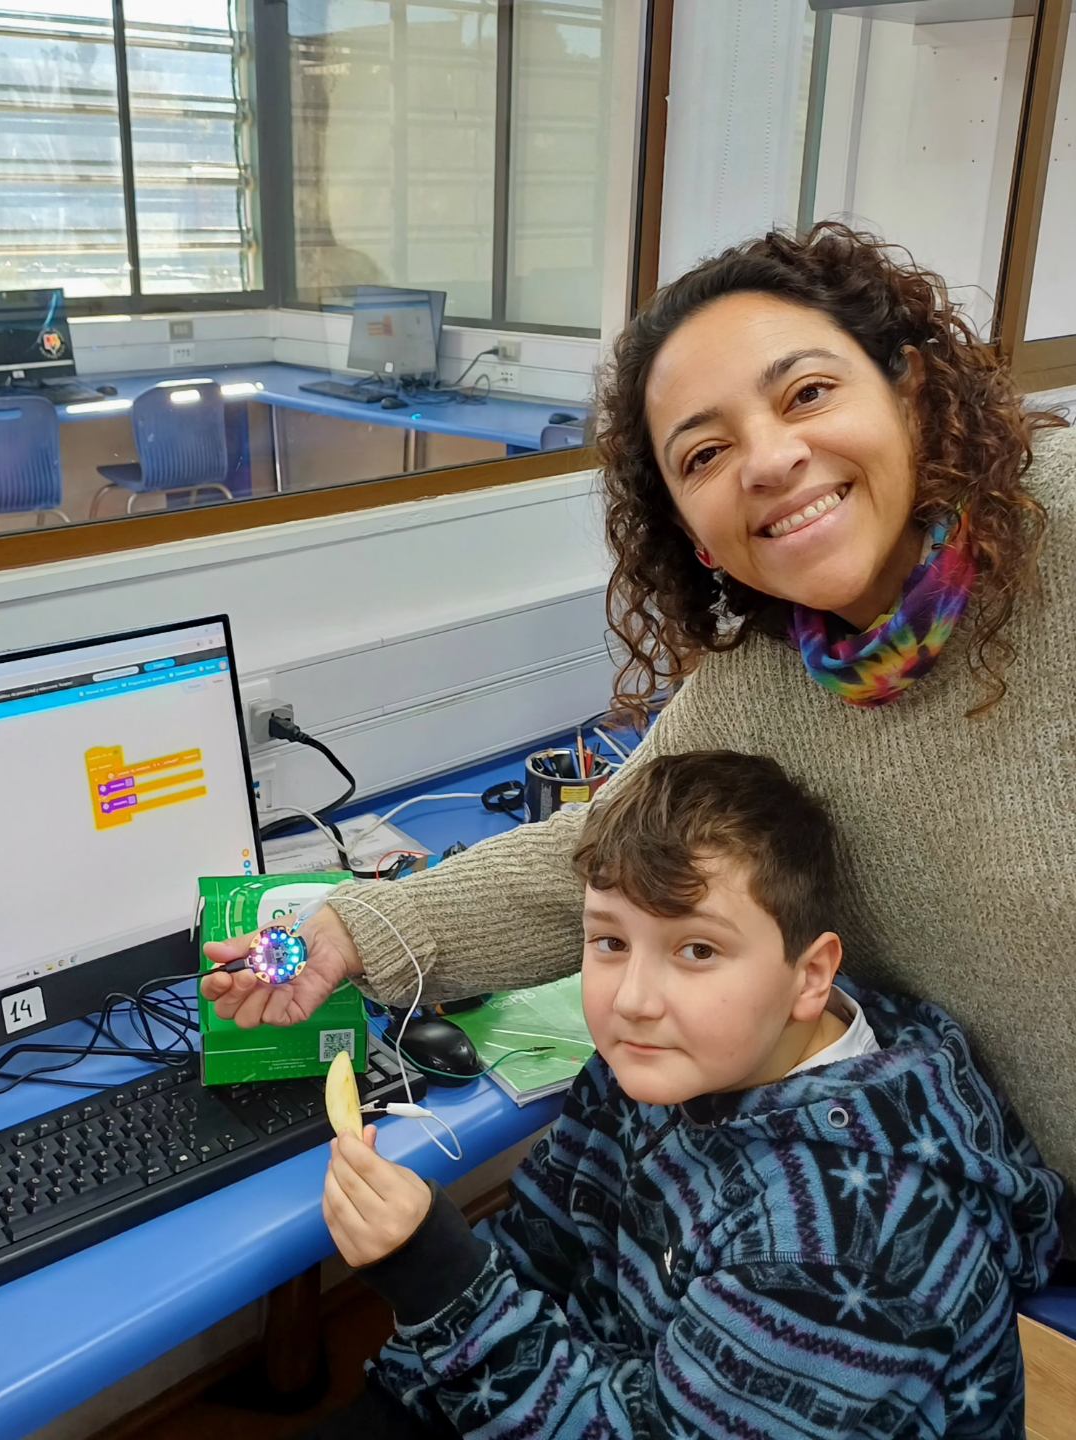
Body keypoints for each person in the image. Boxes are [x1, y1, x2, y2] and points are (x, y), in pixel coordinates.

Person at [203, 222, 1076, 1219]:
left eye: (807, 394)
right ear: (692, 531)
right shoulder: (767, 683)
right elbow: (590, 856)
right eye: (705, 453)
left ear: (910, 391)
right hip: (1000, 1210)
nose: (769, 460)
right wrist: (352, 929)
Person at [298, 753, 1062, 1440]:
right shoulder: (680, 1057)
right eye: (611, 942)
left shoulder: (840, 1252)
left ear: (810, 975)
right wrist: (430, 1355)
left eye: (697, 949)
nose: (633, 999)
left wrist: (440, 1284)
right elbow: (546, 1240)